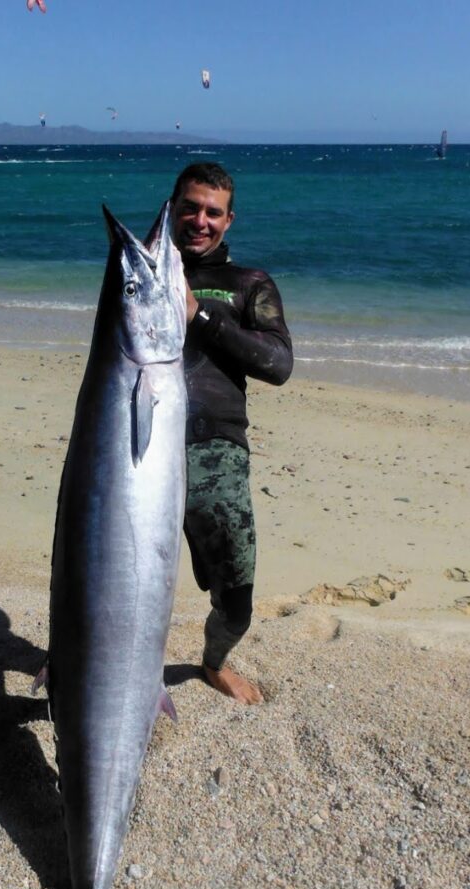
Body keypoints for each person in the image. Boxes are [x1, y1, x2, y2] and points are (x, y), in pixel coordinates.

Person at [170, 162, 293, 705]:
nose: (200, 220)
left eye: (212, 212)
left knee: (237, 598)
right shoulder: (144, 273)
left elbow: (278, 363)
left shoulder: (248, 285)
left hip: (214, 453)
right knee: (107, 574)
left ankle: (213, 662)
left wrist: (201, 316)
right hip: (139, 448)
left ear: (229, 220)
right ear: (173, 207)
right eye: (191, 207)